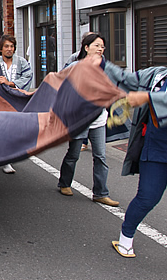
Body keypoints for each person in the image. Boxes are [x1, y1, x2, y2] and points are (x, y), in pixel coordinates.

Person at [98, 30, 167, 278]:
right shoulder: (157, 74)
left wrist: (148, 97)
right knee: (146, 198)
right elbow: (128, 79)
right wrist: (100, 62)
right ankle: (125, 238)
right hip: (155, 150)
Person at [57, 33, 119, 207]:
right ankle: (64, 183)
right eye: (97, 45)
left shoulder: (106, 67)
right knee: (73, 154)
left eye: (102, 46)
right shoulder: (76, 66)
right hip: (80, 118)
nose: (100, 49)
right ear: (86, 48)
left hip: (99, 118)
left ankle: (100, 193)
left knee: (100, 156)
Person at [0, 35, 33, 174]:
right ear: (1, 48)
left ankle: (8, 157)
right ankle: (6, 159)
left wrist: (11, 83)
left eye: (11, 46)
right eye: (6, 46)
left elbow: (28, 76)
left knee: (14, 130)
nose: (9, 49)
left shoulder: (21, 62)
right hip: (0, 100)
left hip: (16, 99)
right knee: (3, 129)